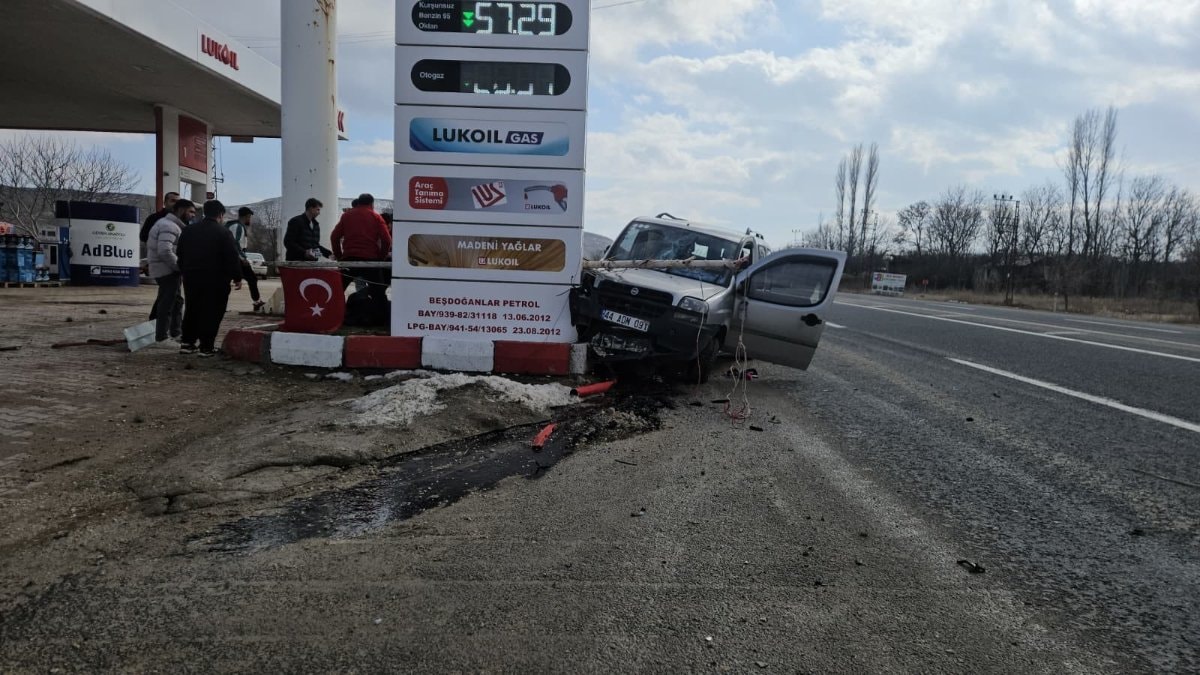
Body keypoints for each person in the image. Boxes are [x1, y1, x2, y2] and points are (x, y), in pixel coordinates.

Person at [176, 200, 243, 357]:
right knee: (212, 312)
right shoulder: (223, 232)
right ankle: (206, 347)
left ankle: (187, 342)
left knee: (192, 309)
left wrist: (184, 270)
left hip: (191, 277)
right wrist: (237, 277)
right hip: (216, 279)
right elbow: (232, 257)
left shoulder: (188, 230)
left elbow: (180, 254)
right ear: (220, 215)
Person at [330, 192, 392, 317]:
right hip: (370, 260)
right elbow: (387, 240)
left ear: (358, 202)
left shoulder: (346, 216)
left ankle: (330, 315)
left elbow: (334, 237)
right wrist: (381, 257)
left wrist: (339, 256)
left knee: (336, 291)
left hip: (349, 258)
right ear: (372, 204)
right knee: (378, 292)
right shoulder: (376, 217)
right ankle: (381, 319)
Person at [145, 199, 195, 343]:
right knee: (167, 303)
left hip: (166, 269)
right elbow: (164, 251)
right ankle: (162, 336)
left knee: (177, 301)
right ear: (180, 210)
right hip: (167, 271)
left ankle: (175, 332)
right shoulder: (170, 226)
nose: (193, 215)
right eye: (190, 211)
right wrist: (179, 267)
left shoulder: (171, 225)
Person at [225, 206, 264, 312]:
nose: (249, 219)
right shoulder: (238, 226)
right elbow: (235, 243)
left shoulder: (233, 225)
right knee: (252, 278)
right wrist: (243, 258)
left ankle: (221, 305)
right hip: (236, 257)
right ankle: (257, 301)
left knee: (225, 282)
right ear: (247, 216)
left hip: (230, 257)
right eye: (249, 217)